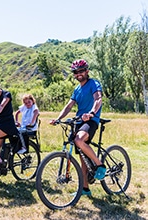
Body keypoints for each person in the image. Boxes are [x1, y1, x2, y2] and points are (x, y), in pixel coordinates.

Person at [50, 59, 106, 196]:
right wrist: (58, 119)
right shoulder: (77, 89)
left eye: (81, 71)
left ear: (87, 71)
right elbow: (69, 106)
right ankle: (85, 189)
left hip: (91, 120)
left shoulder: (93, 83)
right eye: (76, 72)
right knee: (82, 158)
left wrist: (92, 113)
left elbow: (98, 99)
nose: (78, 74)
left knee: (79, 140)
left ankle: (100, 165)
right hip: (79, 121)